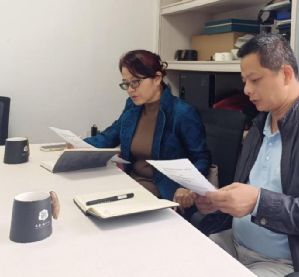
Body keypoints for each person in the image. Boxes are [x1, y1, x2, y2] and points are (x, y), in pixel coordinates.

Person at [192, 34, 299, 277]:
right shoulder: (258, 126)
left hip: (286, 263)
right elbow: (248, 193)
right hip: (234, 243)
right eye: (244, 81)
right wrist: (219, 202)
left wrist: (259, 202)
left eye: (255, 80)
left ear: (285, 74)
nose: (246, 90)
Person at [85, 50, 212, 216]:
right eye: (126, 84)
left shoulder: (181, 113)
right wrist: (78, 145)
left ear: (157, 78)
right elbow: (109, 136)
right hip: (131, 185)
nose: (130, 90)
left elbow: (201, 158)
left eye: (135, 82)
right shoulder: (133, 107)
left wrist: (187, 187)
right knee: (87, 205)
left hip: (162, 193)